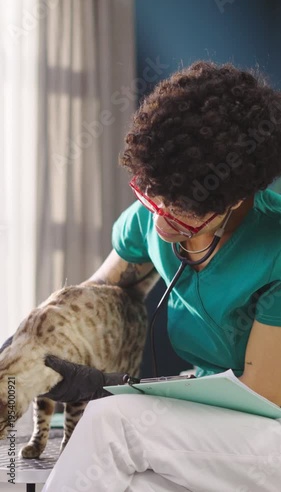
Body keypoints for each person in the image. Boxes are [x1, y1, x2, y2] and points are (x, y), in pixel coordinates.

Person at [42, 61, 281, 491]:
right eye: (152, 193)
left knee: (112, 423)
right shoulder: (155, 211)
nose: (162, 220)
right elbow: (97, 295)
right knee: (129, 483)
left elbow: (262, 398)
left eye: (183, 210)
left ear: (235, 197)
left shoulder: (275, 247)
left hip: (269, 425)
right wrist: (34, 340)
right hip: (217, 435)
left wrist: (117, 387)